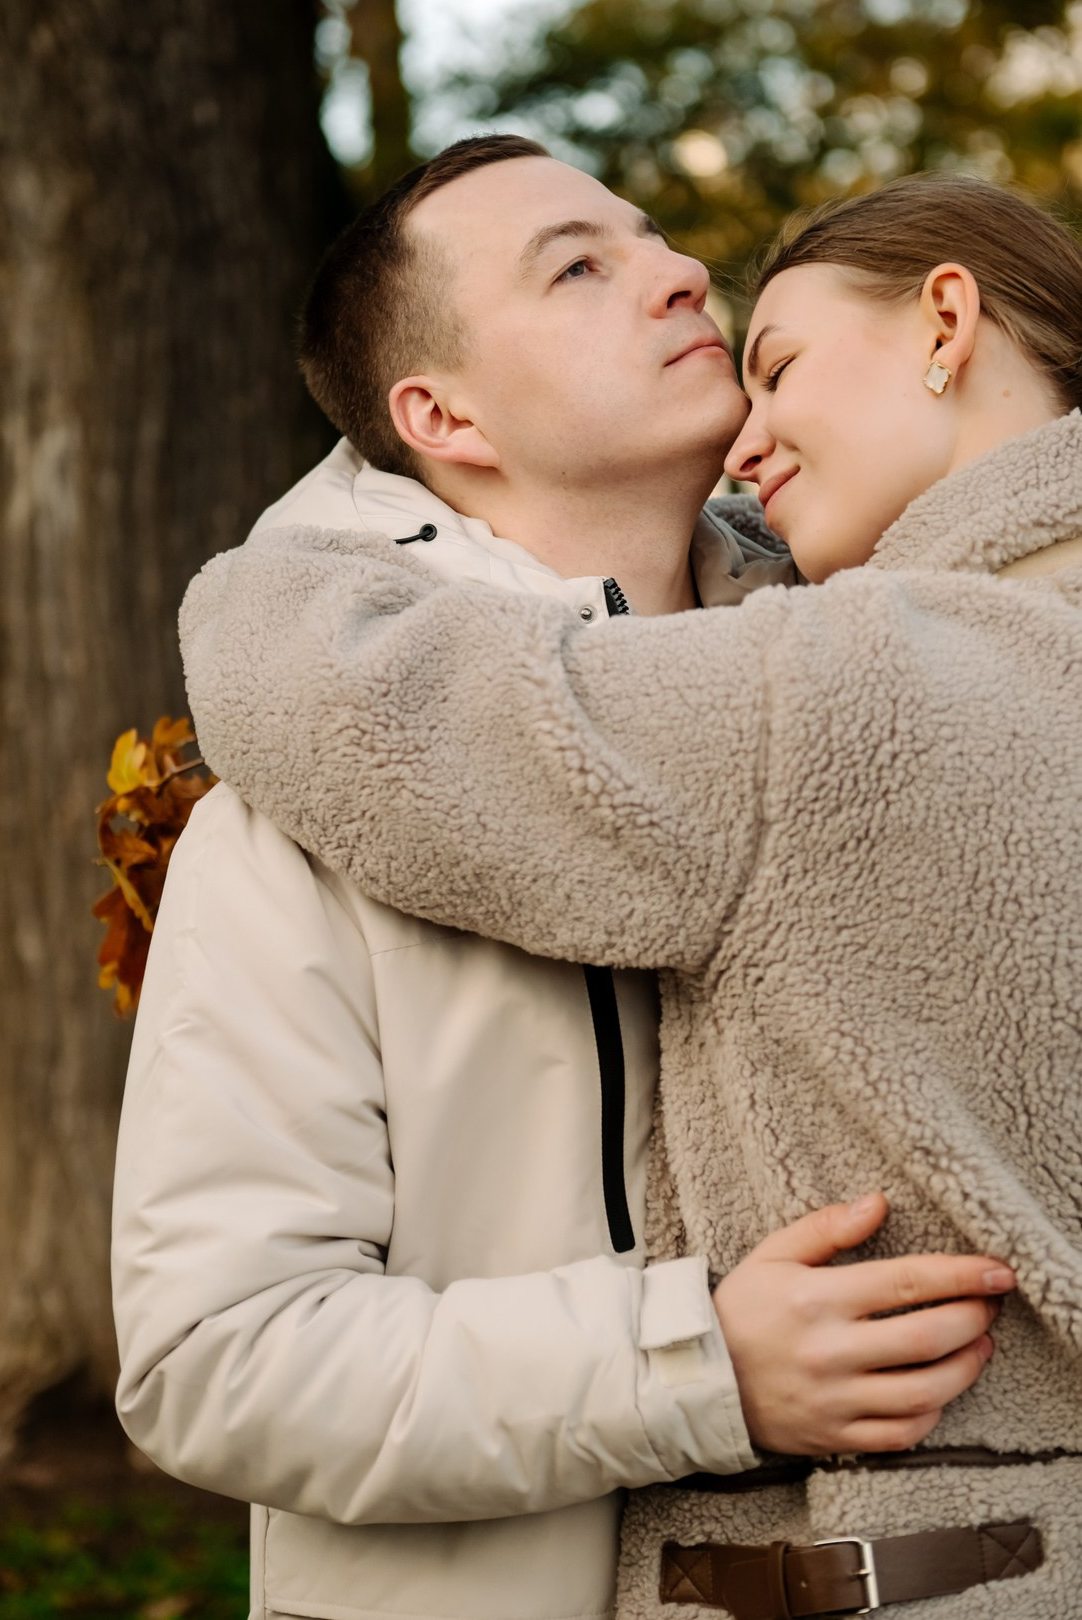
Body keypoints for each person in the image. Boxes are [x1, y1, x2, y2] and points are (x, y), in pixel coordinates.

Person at [114, 141, 1012, 1620]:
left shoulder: (883, 713)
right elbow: (218, 1359)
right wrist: (699, 1367)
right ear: (439, 413)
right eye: (577, 267)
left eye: (654, 238)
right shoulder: (294, 826)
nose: (674, 273)